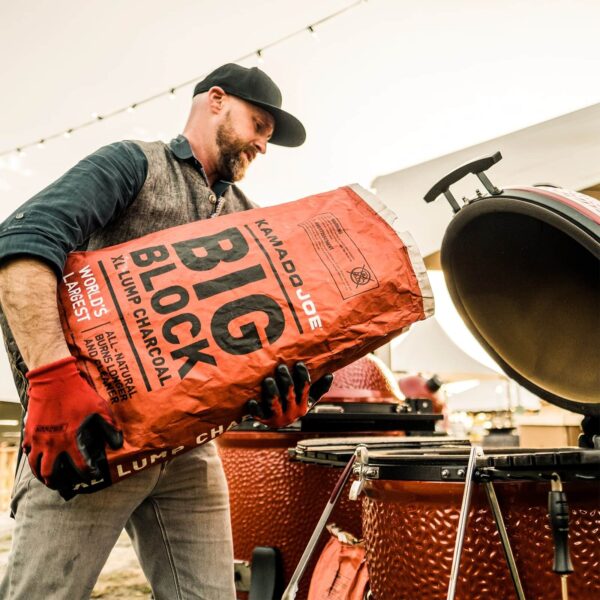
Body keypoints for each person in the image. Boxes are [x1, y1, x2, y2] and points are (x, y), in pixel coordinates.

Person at [0, 63, 332, 599]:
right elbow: (20, 244)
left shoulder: (246, 216)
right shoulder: (134, 164)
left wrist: (275, 397)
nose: (264, 146)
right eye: (259, 126)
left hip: (188, 454)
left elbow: (249, 347)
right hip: (90, 439)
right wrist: (52, 375)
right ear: (216, 101)